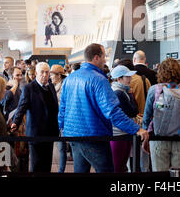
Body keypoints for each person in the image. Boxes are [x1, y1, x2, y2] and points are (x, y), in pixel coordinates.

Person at [58, 43, 149, 173]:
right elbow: (112, 111)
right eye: (103, 57)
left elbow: (63, 108)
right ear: (96, 58)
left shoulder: (70, 78)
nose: (105, 60)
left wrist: (61, 127)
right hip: (94, 136)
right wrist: (136, 129)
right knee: (107, 173)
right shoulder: (99, 80)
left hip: (73, 135)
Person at [142, 58, 180, 172]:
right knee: (178, 175)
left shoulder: (154, 90)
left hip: (158, 140)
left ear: (161, 72)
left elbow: (147, 117)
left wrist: (145, 135)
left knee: (160, 174)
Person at [11, 62, 59, 172]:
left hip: (50, 133)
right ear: (36, 73)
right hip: (35, 133)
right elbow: (21, 107)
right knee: (36, 166)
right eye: (42, 72)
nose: (45, 75)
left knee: (47, 165)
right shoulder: (29, 88)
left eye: (47, 72)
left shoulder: (51, 86)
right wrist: (15, 123)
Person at [109, 65, 139, 173]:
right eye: (127, 77)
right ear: (119, 78)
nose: (130, 79)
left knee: (121, 165)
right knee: (118, 166)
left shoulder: (120, 90)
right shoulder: (119, 92)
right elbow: (133, 111)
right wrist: (131, 95)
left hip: (122, 132)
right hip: (119, 134)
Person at [50, 64, 69, 173]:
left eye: (52, 74)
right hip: (54, 120)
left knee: (62, 147)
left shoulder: (64, 86)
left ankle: (61, 171)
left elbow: (63, 104)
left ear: (59, 75)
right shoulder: (50, 86)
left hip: (63, 121)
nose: (50, 77)